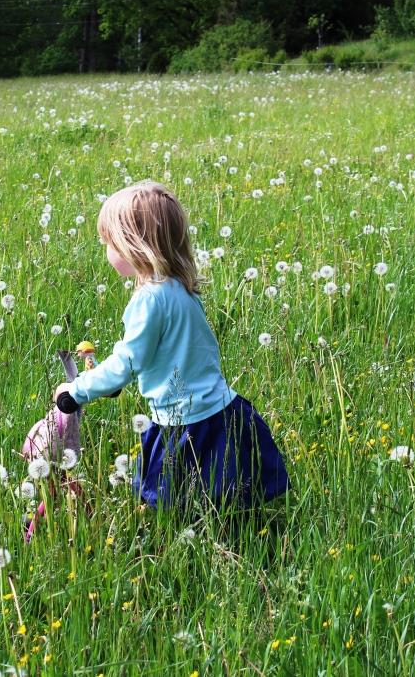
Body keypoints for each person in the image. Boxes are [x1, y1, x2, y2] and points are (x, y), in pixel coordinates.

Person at [52, 181, 289, 513]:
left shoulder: (149, 300)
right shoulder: (179, 287)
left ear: (134, 246)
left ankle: (180, 546)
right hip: (221, 410)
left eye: (109, 243)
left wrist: (76, 391)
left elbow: (127, 362)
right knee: (222, 496)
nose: (105, 250)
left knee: (172, 504)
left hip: (182, 423)